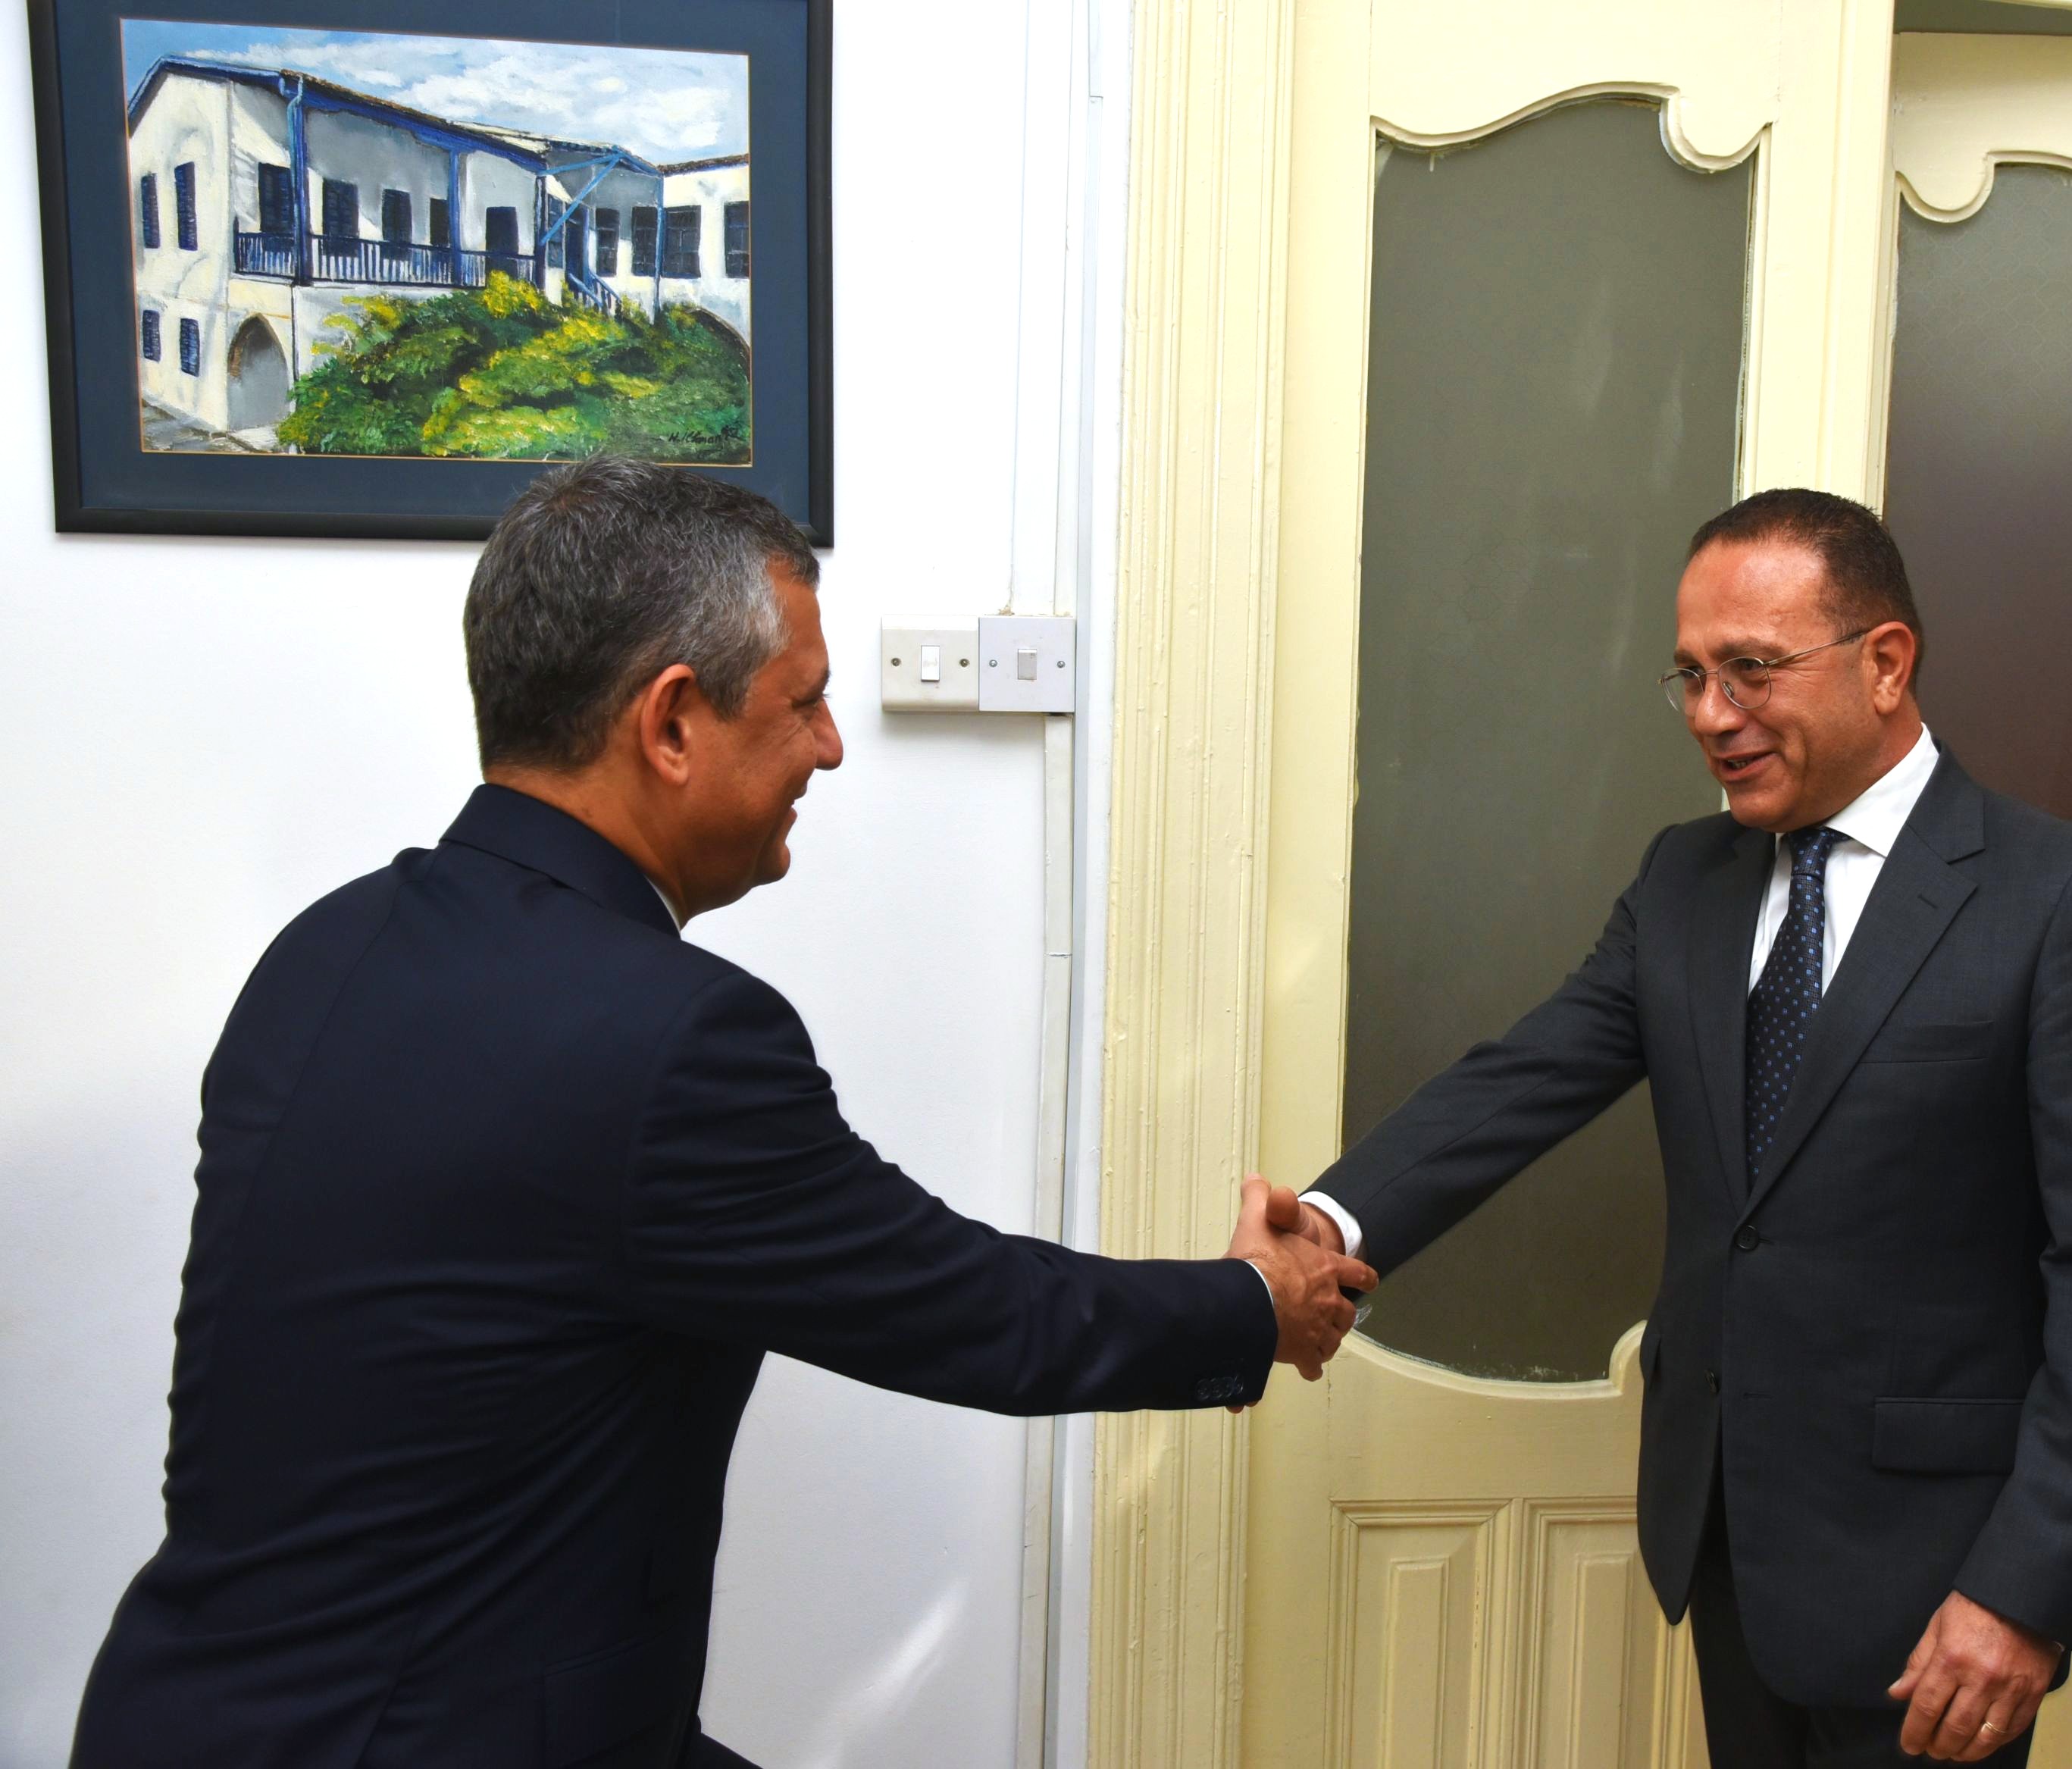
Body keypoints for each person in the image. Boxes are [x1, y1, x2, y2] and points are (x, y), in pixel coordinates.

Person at [71, 457, 1375, 1769]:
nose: (830, 744)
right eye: (804, 702)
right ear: (673, 722)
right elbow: (976, 1313)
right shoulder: (673, 1039)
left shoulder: (321, 951)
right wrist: (1253, 1304)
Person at [1287, 489, 2072, 1767]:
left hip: (1945, 1582)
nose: (1713, 715)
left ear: (1886, 663)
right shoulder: (1685, 878)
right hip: (1726, 1536)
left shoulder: (2064, 901)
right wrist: (1324, 1223)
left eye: (1753, 670)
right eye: (1693, 676)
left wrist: (2026, 1590)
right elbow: (1523, 1080)